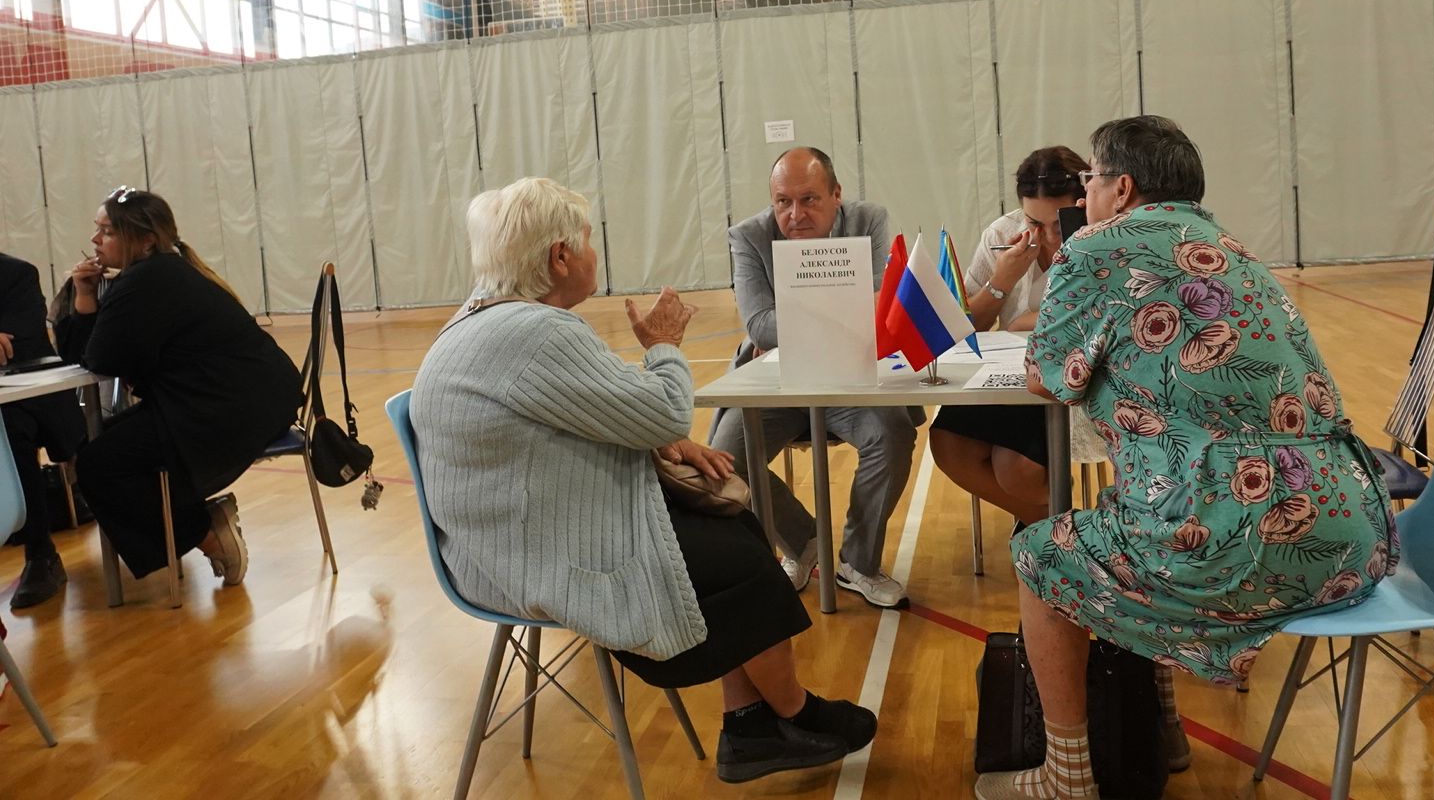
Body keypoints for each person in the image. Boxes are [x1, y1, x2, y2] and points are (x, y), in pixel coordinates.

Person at [975, 117, 1400, 800]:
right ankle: (1162, 729)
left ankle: (1066, 778)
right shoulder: (1229, 248)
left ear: (1122, 188)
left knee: (1043, 557)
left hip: (1244, 534)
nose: (1084, 195)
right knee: (1126, 525)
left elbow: (1047, 377)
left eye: (1091, 179)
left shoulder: (1096, 245)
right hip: (1352, 535)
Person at [410, 178, 876, 783]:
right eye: (588, 240)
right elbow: (664, 410)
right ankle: (789, 712)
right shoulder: (536, 333)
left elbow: (588, 412)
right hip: (528, 556)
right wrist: (663, 347)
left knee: (732, 525)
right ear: (560, 257)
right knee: (741, 557)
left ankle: (750, 724)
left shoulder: (481, 319)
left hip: (493, 542)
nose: (594, 253)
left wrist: (654, 433)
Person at [54, 187, 301, 588]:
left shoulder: (144, 281)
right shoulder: (158, 271)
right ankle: (202, 521)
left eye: (108, 232)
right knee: (102, 446)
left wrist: (86, 304)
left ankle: (206, 534)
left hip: (229, 407)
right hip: (241, 398)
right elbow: (94, 357)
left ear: (146, 240)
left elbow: (99, 360)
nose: (96, 240)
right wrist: (85, 295)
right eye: (96, 230)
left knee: (99, 465)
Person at [710, 147, 921, 608]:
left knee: (892, 433)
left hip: (851, 373)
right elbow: (759, 326)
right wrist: (845, 313)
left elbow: (879, 307)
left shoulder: (868, 221)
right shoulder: (748, 236)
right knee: (722, 463)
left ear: (836, 194)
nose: (795, 214)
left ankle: (858, 563)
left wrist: (793, 324)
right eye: (782, 202)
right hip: (778, 379)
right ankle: (803, 542)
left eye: (809, 199)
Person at [929, 147, 1091, 528]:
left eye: (1059, 223)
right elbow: (966, 328)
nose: (1047, 236)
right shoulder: (1003, 234)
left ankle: (1051, 526)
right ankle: (1050, 523)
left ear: (1082, 204)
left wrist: (1024, 322)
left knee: (1016, 469)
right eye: (1034, 222)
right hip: (1012, 376)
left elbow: (1097, 314)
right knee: (947, 444)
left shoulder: (1098, 235)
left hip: (1071, 381)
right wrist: (1001, 281)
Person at [0, 252, 85, 609]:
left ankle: (41, 553)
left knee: (10, 432)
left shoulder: (16, 274)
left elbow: (11, 347)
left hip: (31, 397)